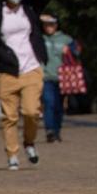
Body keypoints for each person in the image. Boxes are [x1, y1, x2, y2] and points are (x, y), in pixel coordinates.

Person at [0, 0, 55, 170]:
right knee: (10, 116)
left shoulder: (29, 8)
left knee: (31, 112)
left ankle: (29, 142)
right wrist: (1, 53)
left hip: (31, 68)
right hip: (7, 71)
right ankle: (12, 154)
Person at [39, 13, 76, 143]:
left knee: (59, 106)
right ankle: (49, 130)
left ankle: (57, 130)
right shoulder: (40, 39)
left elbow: (77, 53)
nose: (48, 27)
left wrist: (70, 50)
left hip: (62, 78)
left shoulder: (66, 39)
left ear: (56, 25)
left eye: (51, 24)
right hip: (46, 77)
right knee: (49, 103)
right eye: (46, 25)